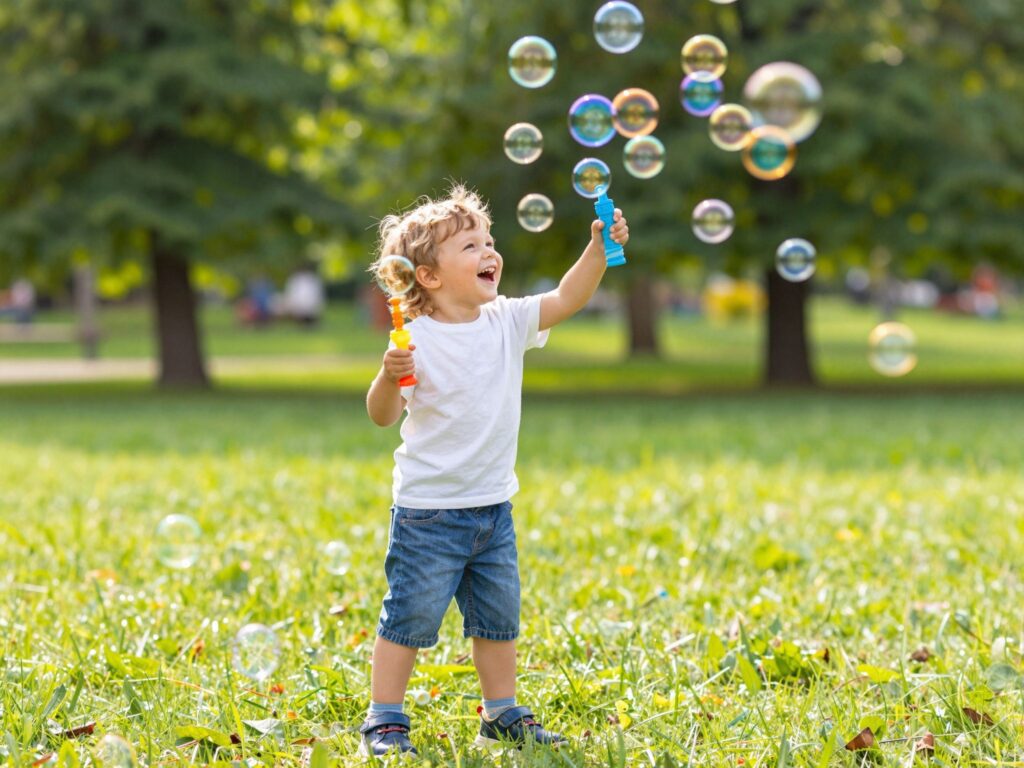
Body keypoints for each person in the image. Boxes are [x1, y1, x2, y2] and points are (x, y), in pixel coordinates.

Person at [361, 185, 628, 756]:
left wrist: (598, 252)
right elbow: (382, 417)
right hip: (428, 515)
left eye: (489, 241)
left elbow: (565, 298)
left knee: (497, 621)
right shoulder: (415, 340)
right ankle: (384, 718)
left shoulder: (505, 320)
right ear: (428, 277)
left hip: (492, 509)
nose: (490, 251)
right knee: (409, 616)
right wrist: (388, 376)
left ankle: (501, 712)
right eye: (470, 245)